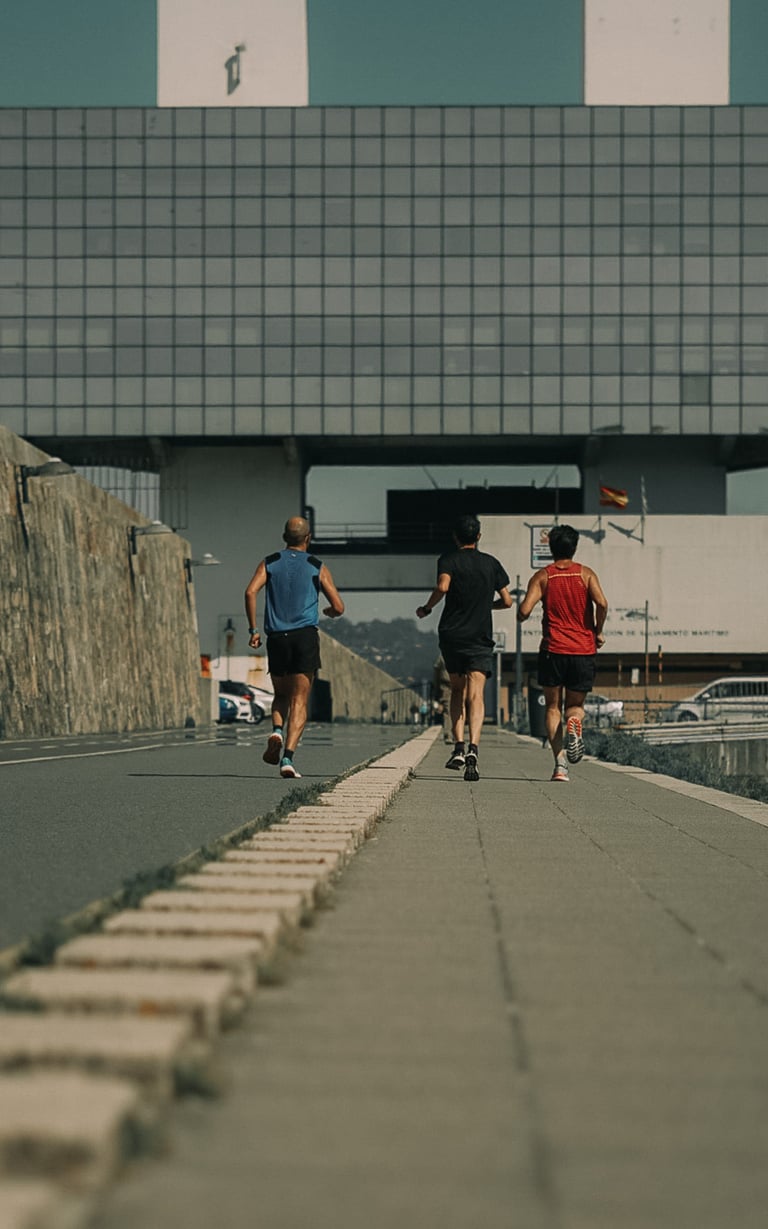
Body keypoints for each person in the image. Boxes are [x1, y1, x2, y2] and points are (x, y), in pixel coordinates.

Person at [244, 516, 344, 779]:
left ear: (284, 537)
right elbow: (339, 606)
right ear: (308, 538)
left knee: (281, 694)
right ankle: (287, 759)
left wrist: (253, 630)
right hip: (304, 637)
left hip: (277, 638)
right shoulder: (316, 565)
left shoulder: (270, 562)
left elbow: (250, 592)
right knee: (299, 699)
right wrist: (330, 611)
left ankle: (277, 731)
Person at [416, 513, 513, 782]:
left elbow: (443, 586)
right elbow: (507, 601)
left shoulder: (448, 559)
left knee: (457, 690)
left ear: (455, 537)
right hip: (480, 637)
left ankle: (458, 747)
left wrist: (427, 607)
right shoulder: (491, 563)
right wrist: (487, 606)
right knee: (476, 694)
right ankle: (474, 749)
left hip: (453, 635)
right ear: (478, 536)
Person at [517, 523, 608, 783]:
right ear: (574, 547)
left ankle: (560, 765)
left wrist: (522, 615)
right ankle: (574, 725)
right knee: (575, 706)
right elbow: (602, 603)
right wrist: (598, 630)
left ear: (550, 548)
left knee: (552, 707)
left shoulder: (543, 576)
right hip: (583, 650)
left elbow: (524, 611)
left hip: (553, 650)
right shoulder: (586, 574)